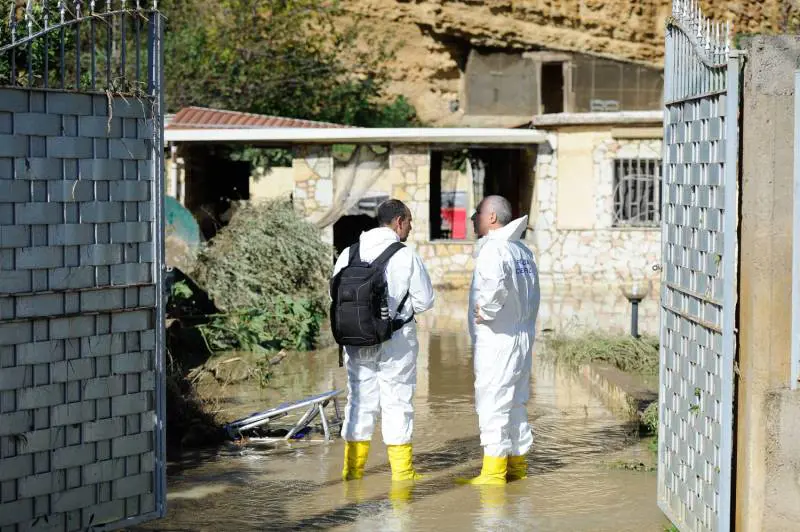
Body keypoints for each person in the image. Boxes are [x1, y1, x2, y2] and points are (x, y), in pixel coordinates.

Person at [332, 199, 435, 482]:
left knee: (359, 400)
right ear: (399, 221)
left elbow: (334, 296)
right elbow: (425, 302)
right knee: (397, 401)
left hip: (355, 340)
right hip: (396, 341)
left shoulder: (348, 253)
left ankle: (352, 474)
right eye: (410, 222)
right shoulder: (405, 255)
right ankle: (403, 475)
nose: (411, 228)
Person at [460, 195, 540, 485]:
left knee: (492, 402)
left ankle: (493, 476)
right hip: (520, 339)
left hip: (498, 341)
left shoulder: (494, 250)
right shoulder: (521, 250)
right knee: (516, 402)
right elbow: (533, 294)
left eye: (478, 213)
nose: (473, 218)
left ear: (492, 217)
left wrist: (487, 310)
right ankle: (517, 467)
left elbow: (493, 287)